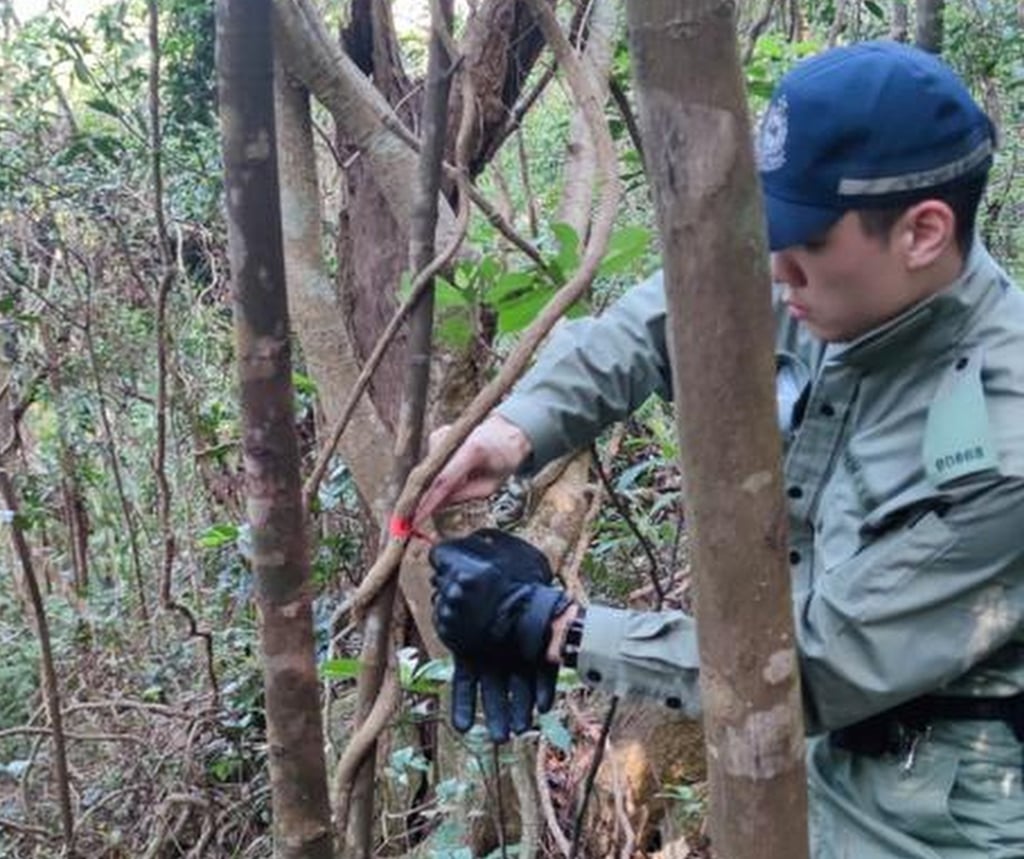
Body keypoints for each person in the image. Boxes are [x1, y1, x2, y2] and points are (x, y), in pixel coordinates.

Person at [424, 40, 1024, 858]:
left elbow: (816, 666)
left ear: (923, 232)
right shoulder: (828, 284)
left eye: (800, 244)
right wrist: (518, 427)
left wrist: (554, 627)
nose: (770, 272)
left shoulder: (1003, 434)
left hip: (938, 825)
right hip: (800, 784)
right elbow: (666, 313)